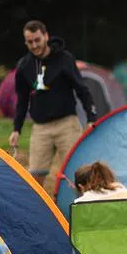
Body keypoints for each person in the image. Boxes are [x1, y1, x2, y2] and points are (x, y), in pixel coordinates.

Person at [8, 21, 96, 189]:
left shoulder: (65, 59)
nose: (34, 45)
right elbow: (22, 100)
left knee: (77, 173)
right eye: (30, 42)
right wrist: (16, 129)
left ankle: (78, 209)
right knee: (34, 176)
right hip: (41, 128)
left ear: (46, 36)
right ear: (25, 42)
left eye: (37, 40)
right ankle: (38, 212)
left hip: (67, 124)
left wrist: (91, 117)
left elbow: (82, 89)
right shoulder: (24, 66)